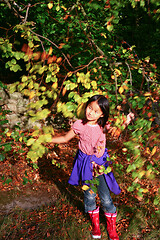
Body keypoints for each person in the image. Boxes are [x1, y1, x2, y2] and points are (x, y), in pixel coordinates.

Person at [51, 95, 134, 240]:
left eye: (96, 111)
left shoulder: (103, 125)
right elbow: (65, 138)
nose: (91, 113)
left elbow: (117, 130)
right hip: (85, 165)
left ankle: (111, 227)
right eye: (90, 108)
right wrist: (47, 139)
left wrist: (126, 121)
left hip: (100, 166)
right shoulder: (79, 125)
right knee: (89, 195)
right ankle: (96, 224)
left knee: (106, 198)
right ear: (86, 106)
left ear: (102, 113)